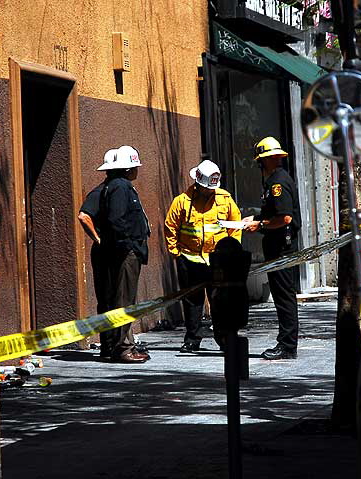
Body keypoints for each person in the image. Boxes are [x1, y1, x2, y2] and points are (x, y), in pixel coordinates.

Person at [164, 159, 242, 353]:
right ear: (198, 184)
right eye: (207, 188)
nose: (210, 191)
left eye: (212, 188)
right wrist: (176, 253)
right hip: (190, 260)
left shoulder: (224, 199)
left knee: (220, 301)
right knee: (192, 302)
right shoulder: (182, 201)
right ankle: (192, 339)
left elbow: (235, 223)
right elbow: (170, 227)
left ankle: (224, 339)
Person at [243, 137, 301, 360]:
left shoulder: (278, 183)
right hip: (277, 246)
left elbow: (285, 218)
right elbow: (274, 214)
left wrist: (260, 224)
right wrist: (255, 217)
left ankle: (287, 345)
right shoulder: (273, 181)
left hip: (282, 248)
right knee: (281, 295)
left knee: (284, 296)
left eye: (261, 160)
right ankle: (286, 343)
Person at [97, 145, 151, 363]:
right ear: (128, 169)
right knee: (124, 301)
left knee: (123, 299)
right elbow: (117, 220)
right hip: (126, 253)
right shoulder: (121, 187)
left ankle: (121, 345)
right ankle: (123, 348)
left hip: (127, 251)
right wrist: (131, 244)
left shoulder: (119, 186)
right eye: (135, 166)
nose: (137, 170)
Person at [78, 149, 117, 360]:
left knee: (111, 299)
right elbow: (84, 216)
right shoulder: (100, 192)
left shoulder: (111, 190)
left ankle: (110, 344)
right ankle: (108, 345)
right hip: (105, 252)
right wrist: (98, 238)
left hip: (108, 250)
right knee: (108, 299)